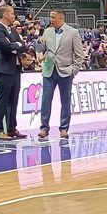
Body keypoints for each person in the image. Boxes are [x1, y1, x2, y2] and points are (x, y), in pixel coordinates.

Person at [36, 9, 83, 140]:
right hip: (49, 70)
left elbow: (79, 54)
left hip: (66, 71)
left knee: (65, 101)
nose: (50, 19)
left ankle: (64, 129)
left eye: (53, 17)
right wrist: (39, 42)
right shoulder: (47, 31)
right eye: (50, 17)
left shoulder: (73, 32)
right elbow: (40, 49)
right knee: (45, 100)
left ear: (61, 19)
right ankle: (44, 128)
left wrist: (74, 70)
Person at [0, 4, 27, 140]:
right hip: (4, 70)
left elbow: (23, 46)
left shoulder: (12, 30)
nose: (14, 16)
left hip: (16, 69)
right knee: (1, 101)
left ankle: (12, 128)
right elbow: (6, 46)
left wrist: (15, 45)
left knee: (13, 100)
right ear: (5, 15)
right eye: (12, 13)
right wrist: (16, 45)